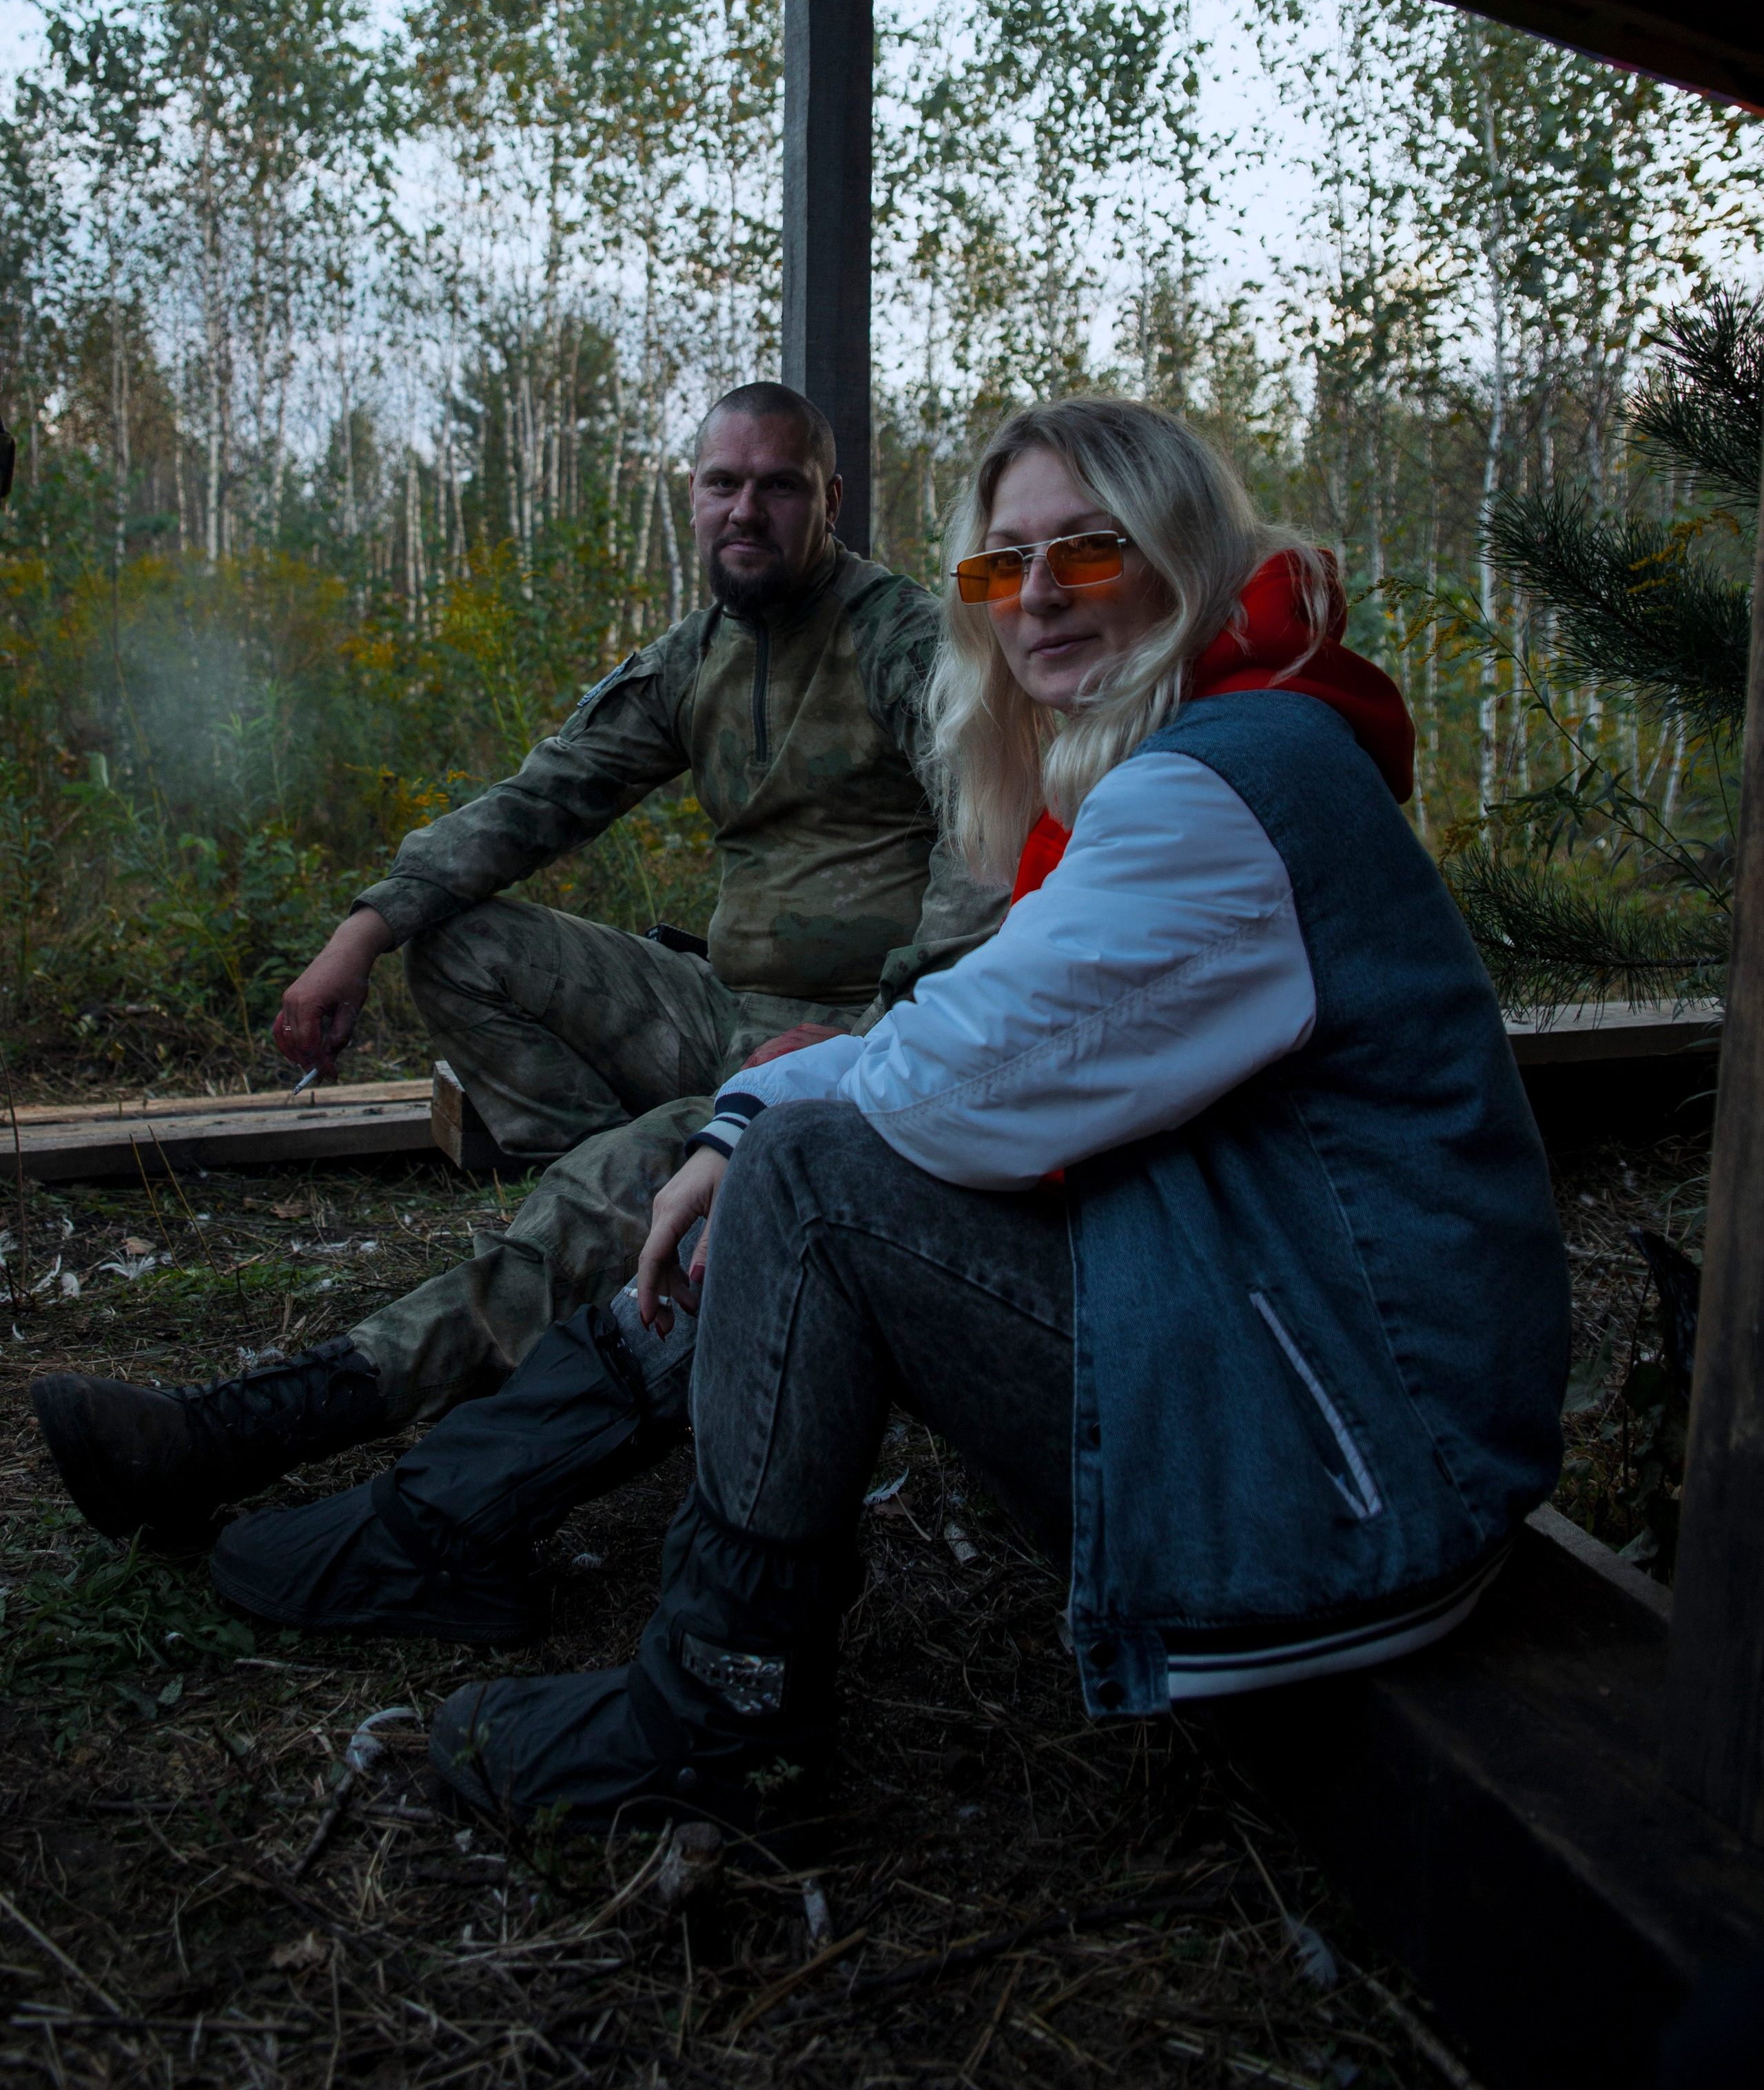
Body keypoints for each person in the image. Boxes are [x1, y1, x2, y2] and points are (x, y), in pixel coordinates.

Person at [421, 393, 1570, 1832]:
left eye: (1081, 550)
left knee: (813, 1182)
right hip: (1358, 1394)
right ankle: (680, 1640)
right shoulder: (1233, 743)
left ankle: (718, 1711)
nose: (1031, 599)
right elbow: (991, 1022)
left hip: (1364, 1470)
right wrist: (741, 1107)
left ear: (1179, 556)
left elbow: (951, 1085)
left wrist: (747, 1129)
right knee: (796, 1145)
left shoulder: (1209, 798)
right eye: (996, 564)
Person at [30, 384, 1005, 1595]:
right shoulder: (694, 659)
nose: (746, 510)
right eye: (723, 484)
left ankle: (236, 1433)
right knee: (464, 945)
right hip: (721, 1014)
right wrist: (361, 931)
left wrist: (875, 1036)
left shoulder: (903, 640)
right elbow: (541, 796)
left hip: (845, 1044)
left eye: (780, 484)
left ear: (831, 501)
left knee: (591, 1198)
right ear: (691, 497)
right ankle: (628, 1228)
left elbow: (987, 843)